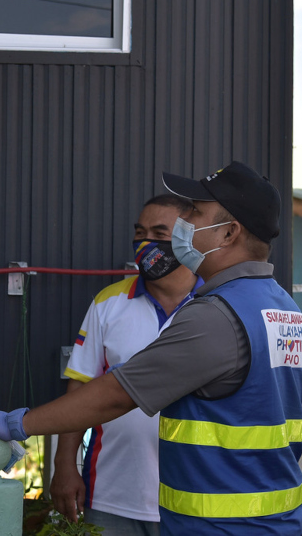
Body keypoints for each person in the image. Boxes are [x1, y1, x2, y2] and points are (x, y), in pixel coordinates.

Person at [0, 161, 302, 536]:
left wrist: (17, 424)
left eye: (195, 211)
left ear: (228, 233)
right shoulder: (284, 309)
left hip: (224, 526)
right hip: (284, 519)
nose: (184, 223)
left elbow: (117, 394)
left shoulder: (216, 316)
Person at [51, 194, 201, 535]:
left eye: (160, 235)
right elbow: (80, 389)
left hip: (196, 499)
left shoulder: (217, 305)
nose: (146, 243)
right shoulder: (109, 302)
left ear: (188, 239)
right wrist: (64, 464)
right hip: (112, 494)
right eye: (140, 232)